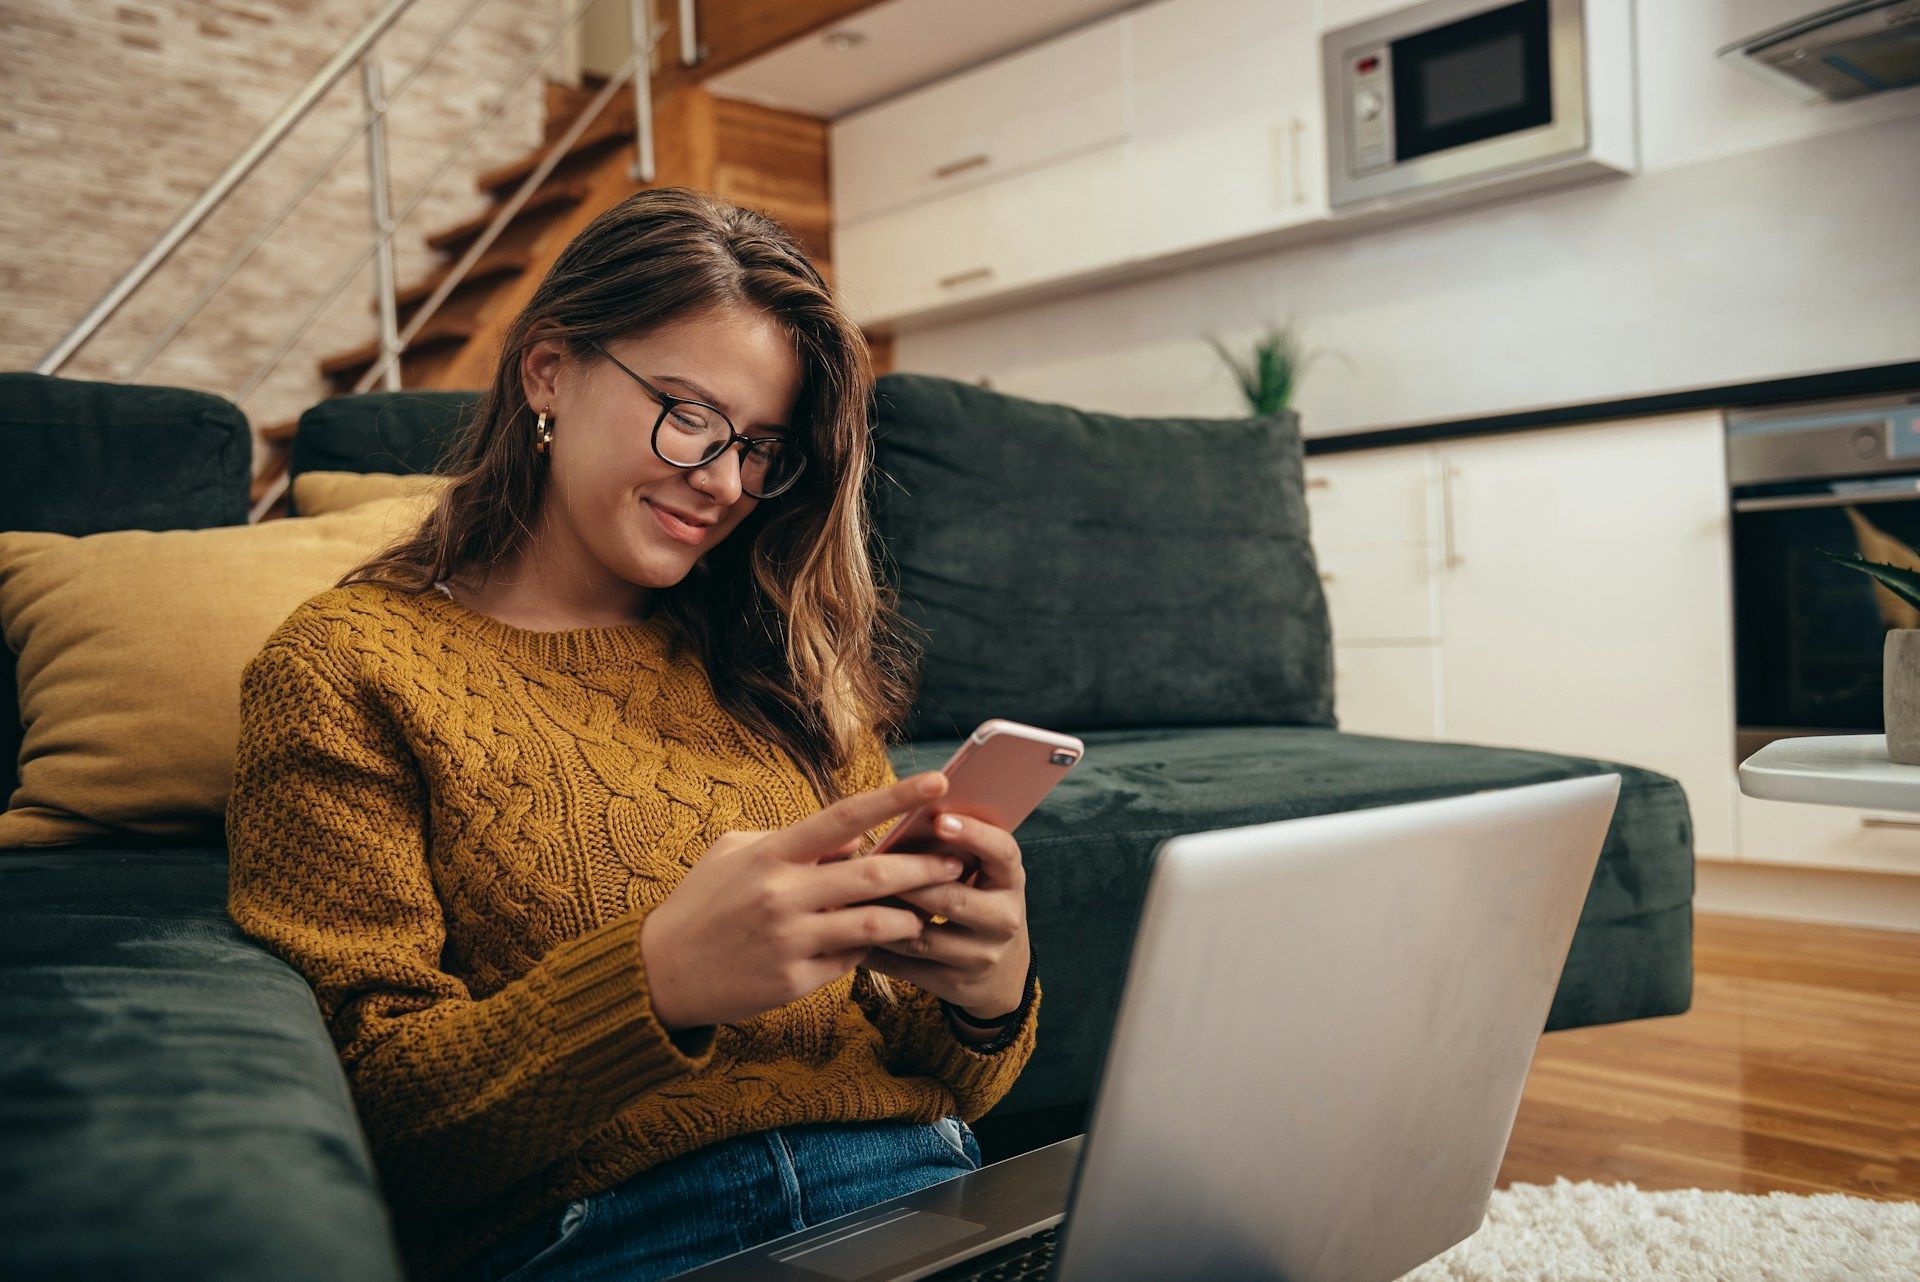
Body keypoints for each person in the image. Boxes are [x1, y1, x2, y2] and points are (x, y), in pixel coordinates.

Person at [224, 187, 1041, 1282]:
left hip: (924, 1194)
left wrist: (988, 999)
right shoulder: (344, 666)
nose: (722, 481)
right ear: (548, 369)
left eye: (760, 446)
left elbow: (944, 1079)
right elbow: (368, 1122)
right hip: (623, 1235)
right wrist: (657, 980)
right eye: (689, 412)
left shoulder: (784, 662)